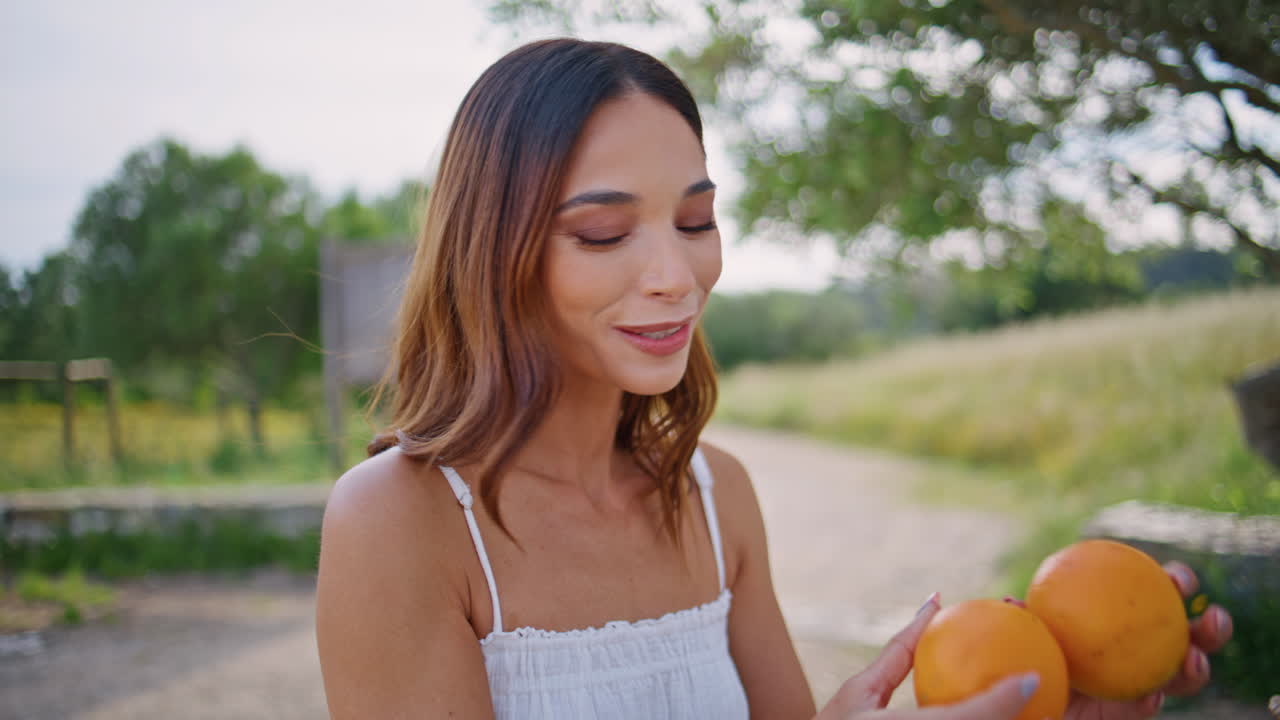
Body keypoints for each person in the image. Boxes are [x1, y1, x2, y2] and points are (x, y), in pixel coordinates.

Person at [314, 38, 1233, 719]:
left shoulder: (717, 498)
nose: (676, 272)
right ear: (491, 251)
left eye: (696, 219)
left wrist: (1052, 691)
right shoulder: (400, 525)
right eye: (604, 233)